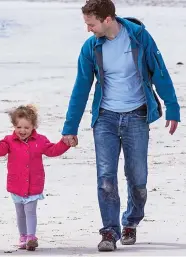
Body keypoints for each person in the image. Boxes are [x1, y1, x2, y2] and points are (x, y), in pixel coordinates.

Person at [61, 0, 180, 252]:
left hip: (136, 115)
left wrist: (173, 107)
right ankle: (109, 231)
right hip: (105, 118)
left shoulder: (139, 37)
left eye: (91, 24)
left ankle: (131, 221)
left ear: (107, 20)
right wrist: (69, 127)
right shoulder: (91, 47)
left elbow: (159, 71)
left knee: (138, 178)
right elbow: (81, 87)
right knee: (106, 178)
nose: (88, 29)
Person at [0, 105, 70, 251]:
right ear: (14, 126)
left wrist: (64, 143)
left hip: (33, 185)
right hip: (16, 185)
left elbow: (52, 150)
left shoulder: (40, 140)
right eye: (19, 127)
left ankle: (31, 237)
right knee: (20, 214)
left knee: (30, 211)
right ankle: (23, 236)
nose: (22, 131)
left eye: (27, 127)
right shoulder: (8, 141)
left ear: (33, 126)